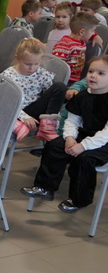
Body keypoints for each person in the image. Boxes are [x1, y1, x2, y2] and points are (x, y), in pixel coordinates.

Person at [21, 56, 108, 212]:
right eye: (91, 71)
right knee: (55, 145)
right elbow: (72, 120)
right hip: (84, 134)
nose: (93, 76)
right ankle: (45, 187)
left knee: (85, 159)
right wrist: (69, 138)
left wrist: (83, 146)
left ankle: (79, 200)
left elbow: (106, 134)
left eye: (101, 73)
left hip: (104, 142)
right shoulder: (82, 96)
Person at [0, 38, 66, 139]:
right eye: (27, 64)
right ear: (17, 58)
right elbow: (7, 102)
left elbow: (51, 99)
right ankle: (17, 125)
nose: (32, 68)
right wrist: (24, 117)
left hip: (34, 110)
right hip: (15, 111)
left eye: (36, 64)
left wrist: (53, 118)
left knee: (60, 87)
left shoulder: (42, 73)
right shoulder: (8, 75)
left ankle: (46, 126)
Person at [52, 11, 99, 84]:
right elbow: (56, 65)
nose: (93, 33)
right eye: (93, 31)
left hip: (75, 80)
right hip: (65, 82)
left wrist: (95, 36)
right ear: (82, 32)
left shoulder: (81, 41)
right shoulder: (65, 44)